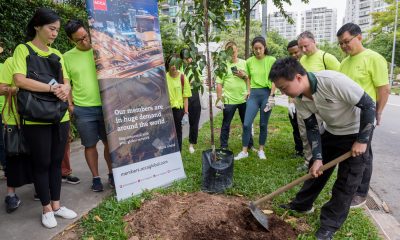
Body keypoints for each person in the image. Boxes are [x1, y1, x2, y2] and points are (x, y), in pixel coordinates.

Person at [270, 57, 376, 240]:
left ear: (298, 77)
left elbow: (368, 105)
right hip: (332, 131)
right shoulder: (300, 97)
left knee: (347, 182)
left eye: (284, 88)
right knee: (315, 170)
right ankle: (302, 204)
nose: (283, 92)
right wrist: (317, 157)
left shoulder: (333, 81)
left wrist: (362, 140)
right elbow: (312, 128)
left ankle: (329, 225)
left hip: (356, 131)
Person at [12, 8, 77, 228]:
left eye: (57, 30)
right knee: (41, 163)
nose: (54, 33)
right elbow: (20, 80)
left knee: (56, 162)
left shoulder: (58, 54)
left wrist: (64, 89)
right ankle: (46, 208)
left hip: (59, 116)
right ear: (37, 26)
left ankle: (57, 206)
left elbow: (66, 82)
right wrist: (52, 90)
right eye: (51, 28)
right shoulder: (23, 49)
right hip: (35, 117)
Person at [337, 23, 390, 208]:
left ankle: (360, 193)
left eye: (346, 42)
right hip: (348, 116)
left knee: (363, 154)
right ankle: (347, 188)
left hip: (365, 115)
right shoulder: (344, 62)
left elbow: (383, 88)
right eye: (341, 44)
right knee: (354, 151)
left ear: (359, 37)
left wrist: (378, 112)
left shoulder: (374, 58)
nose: (344, 46)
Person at [63, 20, 113, 192]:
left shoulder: (101, 50)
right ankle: (96, 178)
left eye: (85, 36)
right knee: (89, 145)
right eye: (79, 40)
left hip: (107, 105)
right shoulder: (67, 57)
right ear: (71, 40)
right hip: (83, 109)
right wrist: (70, 105)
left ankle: (112, 174)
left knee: (110, 143)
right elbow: (66, 82)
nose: (84, 41)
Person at [234, 36, 276, 160]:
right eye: (255, 48)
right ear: (252, 49)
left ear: (265, 48)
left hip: (266, 94)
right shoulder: (249, 61)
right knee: (246, 124)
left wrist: (272, 96)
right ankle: (244, 151)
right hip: (253, 95)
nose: (258, 51)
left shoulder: (271, 60)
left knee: (263, 124)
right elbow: (248, 78)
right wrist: (248, 90)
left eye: (260, 48)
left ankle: (261, 150)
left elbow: (275, 79)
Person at [1, 57, 33, 213]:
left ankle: (40, 189)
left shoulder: (42, 59)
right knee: (13, 156)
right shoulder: (11, 61)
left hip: (38, 118)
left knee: (39, 155)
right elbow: (1, 88)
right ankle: (11, 194)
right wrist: (19, 88)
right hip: (14, 119)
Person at [216, 41, 253, 150]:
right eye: (229, 52)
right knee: (226, 125)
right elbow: (219, 83)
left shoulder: (244, 63)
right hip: (228, 100)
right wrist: (219, 98)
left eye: (234, 51)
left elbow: (250, 79)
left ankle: (250, 144)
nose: (232, 54)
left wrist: (245, 77)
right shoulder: (223, 66)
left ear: (237, 51)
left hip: (243, 99)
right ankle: (223, 146)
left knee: (246, 123)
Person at [165, 54, 191, 151]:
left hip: (178, 111)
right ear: (168, 65)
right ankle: (167, 152)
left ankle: (178, 152)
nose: (174, 66)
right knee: (167, 133)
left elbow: (185, 97)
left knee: (178, 133)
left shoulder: (183, 78)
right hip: (166, 111)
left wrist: (186, 113)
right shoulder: (164, 78)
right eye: (171, 64)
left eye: (176, 64)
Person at [180, 49, 201, 154]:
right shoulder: (179, 67)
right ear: (183, 58)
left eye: (190, 56)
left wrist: (194, 82)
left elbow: (198, 80)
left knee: (194, 121)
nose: (190, 59)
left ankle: (191, 144)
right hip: (181, 96)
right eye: (187, 57)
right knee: (179, 121)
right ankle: (177, 143)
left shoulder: (195, 67)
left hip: (194, 94)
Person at [286, 40, 305, 158]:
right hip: (295, 100)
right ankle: (299, 150)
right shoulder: (291, 66)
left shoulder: (307, 62)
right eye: (291, 54)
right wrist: (290, 101)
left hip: (308, 101)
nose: (294, 56)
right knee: (296, 126)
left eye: (296, 52)